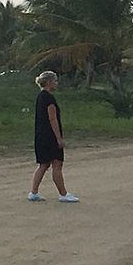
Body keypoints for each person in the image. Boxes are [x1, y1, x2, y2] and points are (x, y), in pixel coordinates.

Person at [28, 71, 80, 203]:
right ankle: (63, 194)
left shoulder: (40, 97)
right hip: (50, 136)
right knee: (57, 163)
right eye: (55, 81)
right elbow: (52, 118)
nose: (57, 83)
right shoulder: (49, 99)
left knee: (44, 164)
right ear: (49, 82)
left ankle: (33, 192)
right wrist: (58, 138)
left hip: (40, 135)